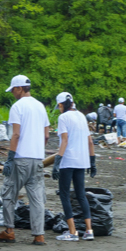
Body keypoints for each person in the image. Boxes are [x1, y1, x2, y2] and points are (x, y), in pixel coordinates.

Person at [0, 75, 50, 246]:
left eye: (13, 89)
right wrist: (37, 148)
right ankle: (38, 235)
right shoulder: (40, 106)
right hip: (37, 159)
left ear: (19, 88)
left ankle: (9, 231)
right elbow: (46, 134)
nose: (12, 93)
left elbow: (16, 134)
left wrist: (10, 158)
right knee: (36, 197)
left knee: (9, 193)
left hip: (21, 158)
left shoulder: (17, 107)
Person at [51, 92, 97, 242]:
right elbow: (90, 141)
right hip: (82, 161)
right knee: (81, 194)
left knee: (64, 195)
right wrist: (92, 161)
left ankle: (72, 232)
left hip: (68, 160)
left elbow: (64, 141)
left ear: (61, 104)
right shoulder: (82, 116)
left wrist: (57, 162)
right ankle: (89, 230)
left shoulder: (63, 117)